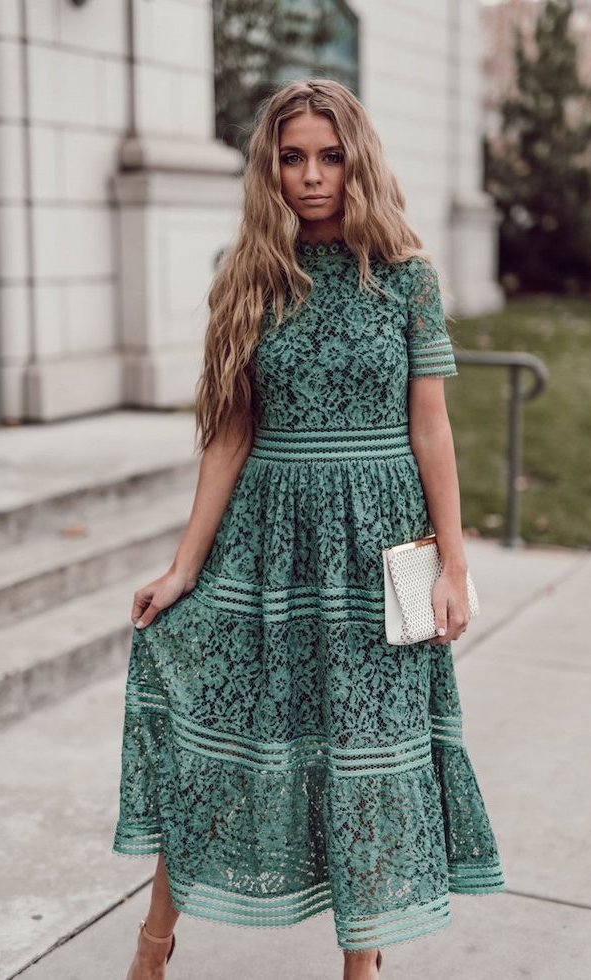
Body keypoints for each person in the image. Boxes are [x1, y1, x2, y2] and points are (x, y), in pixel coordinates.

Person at [114, 77, 506, 980]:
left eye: (329, 156)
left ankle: (361, 968)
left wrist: (453, 562)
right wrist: (183, 568)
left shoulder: (407, 276)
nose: (311, 176)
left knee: (363, 756)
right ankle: (152, 945)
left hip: (375, 554)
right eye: (292, 158)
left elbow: (431, 427)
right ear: (270, 169)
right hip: (266, 545)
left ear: (357, 159)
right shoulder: (251, 274)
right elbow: (231, 434)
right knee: (217, 734)